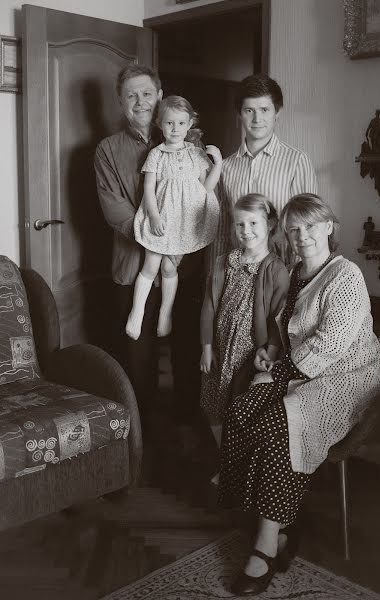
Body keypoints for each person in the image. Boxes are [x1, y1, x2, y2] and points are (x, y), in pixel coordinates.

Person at [218, 194, 380, 596]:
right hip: (300, 373)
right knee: (240, 410)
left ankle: (266, 546)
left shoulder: (346, 277)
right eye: (294, 229)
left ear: (329, 226)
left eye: (310, 226)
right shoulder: (294, 274)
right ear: (286, 235)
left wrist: (274, 376)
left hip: (346, 380)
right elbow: (284, 332)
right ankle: (284, 524)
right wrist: (268, 355)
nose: (302, 235)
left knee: (279, 426)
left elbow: (330, 344)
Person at [94, 65, 205, 436]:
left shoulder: (188, 140)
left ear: (160, 96)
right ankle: (145, 440)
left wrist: (179, 246)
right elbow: (115, 211)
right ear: (121, 103)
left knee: (185, 350)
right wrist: (159, 242)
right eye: (130, 95)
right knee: (137, 359)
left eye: (146, 93)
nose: (139, 102)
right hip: (133, 266)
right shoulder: (108, 150)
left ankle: (186, 425)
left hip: (181, 264)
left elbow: (201, 197)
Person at [199, 193, 289, 455]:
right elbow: (208, 306)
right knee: (213, 405)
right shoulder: (225, 262)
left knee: (238, 405)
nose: (246, 231)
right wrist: (206, 346)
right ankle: (225, 458)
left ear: (269, 224)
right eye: (240, 224)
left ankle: (237, 462)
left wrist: (270, 352)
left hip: (249, 352)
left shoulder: (275, 269)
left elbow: (278, 318)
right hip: (220, 345)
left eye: (253, 224)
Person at [126, 95, 221, 341]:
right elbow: (148, 189)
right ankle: (137, 312)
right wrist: (154, 217)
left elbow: (206, 188)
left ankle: (165, 313)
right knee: (151, 265)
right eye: (169, 123)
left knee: (169, 267)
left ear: (190, 124)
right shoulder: (156, 154)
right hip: (163, 218)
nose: (175, 129)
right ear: (160, 123)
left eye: (181, 123)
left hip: (184, 221)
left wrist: (218, 164)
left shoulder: (196, 154)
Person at [209, 74, 317, 267]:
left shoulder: (297, 162)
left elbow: (308, 228)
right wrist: (215, 278)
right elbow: (222, 232)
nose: (257, 118)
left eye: (264, 109)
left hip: (284, 273)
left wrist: (301, 282)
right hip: (238, 274)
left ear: (277, 112)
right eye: (249, 110)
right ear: (240, 114)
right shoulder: (225, 167)